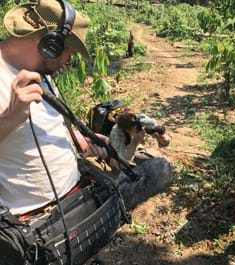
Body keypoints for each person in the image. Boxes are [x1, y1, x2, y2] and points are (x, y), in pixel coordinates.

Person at [0, 1, 172, 264]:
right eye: (70, 51)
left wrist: (82, 141)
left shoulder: (42, 74)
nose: (70, 60)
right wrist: (11, 118)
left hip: (77, 203)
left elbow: (50, 125)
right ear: (50, 43)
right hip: (33, 227)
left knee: (158, 170)